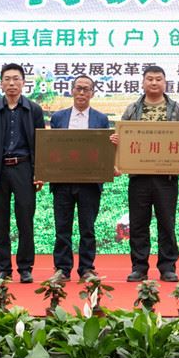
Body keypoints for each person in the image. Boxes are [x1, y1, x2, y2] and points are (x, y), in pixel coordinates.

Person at [115, 65, 179, 283]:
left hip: (166, 177)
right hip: (138, 177)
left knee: (166, 223)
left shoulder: (176, 109)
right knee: (138, 223)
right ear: (143, 82)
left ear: (165, 82)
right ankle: (139, 267)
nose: (154, 82)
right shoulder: (132, 109)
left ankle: (167, 267)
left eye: (158, 79)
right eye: (150, 79)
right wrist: (116, 143)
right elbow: (121, 138)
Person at [0, 63, 45, 283]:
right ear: (1, 83)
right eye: (7, 79)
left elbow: (41, 144)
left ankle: (25, 268)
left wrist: (40, 172)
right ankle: (4, 269)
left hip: (24, 169)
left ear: (23, 83)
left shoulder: (34, 110)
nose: (12, 83)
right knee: (0, 223)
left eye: (16, 79)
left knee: (25, 221)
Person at [48, 74, 111, 281]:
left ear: (92, 93)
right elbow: (51, 148)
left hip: (89, 183)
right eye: (78, 88)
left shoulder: (101, 119)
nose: (82, 92)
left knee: (88, 228)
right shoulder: (58, 117)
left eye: (86, 89)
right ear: (72, 91)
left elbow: (104, 149)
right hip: (62, 182)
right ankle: (62, 269)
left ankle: (86, 269)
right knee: (62, 228)